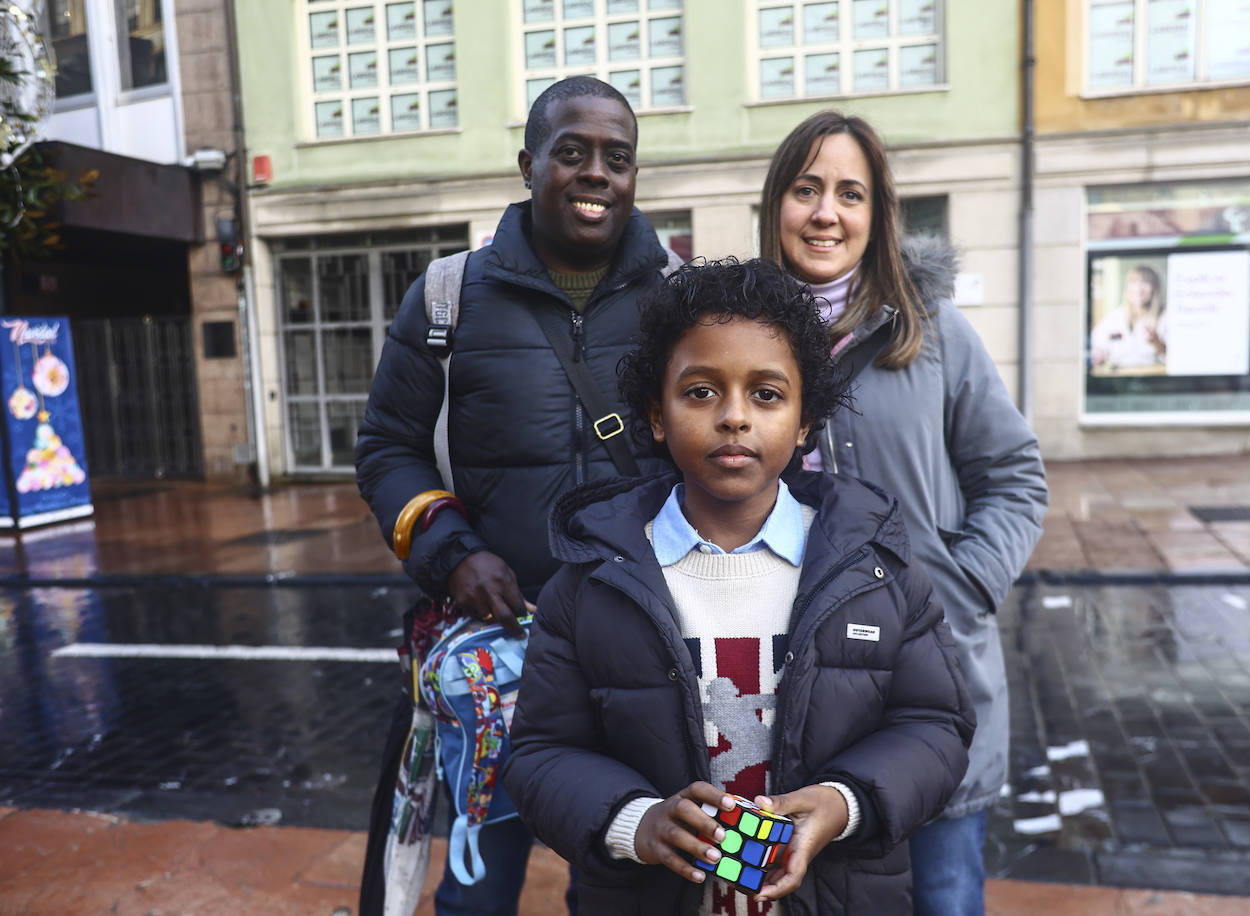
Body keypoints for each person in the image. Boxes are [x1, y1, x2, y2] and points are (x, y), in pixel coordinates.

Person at [505, 257, 976, 915]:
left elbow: (936, 725)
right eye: (701, 391)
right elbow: (538, 752)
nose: (733, 417)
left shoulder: (873, 569)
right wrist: (634, 822)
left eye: (767, 394)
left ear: (806, 420)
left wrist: (842, 804)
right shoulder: (592, 580)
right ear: (658, 414)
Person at [355, 75, 675, 916]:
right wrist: (451, 552)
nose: (596, 173)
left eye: (618, 158)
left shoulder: (682, 302)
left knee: (621, 889)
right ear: (530, 164)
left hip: (637, 659)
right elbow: (386, 448)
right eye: (572, 153)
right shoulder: (447, 296)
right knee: (475, 895)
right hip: (498, 662)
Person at [759, 112, 1048, 916]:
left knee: (944, 897)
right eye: (806, 188)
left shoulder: (934, 330)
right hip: (797, 689)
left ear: (877, 213)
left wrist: (963, 584)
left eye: (850, 193)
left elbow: (1016, 475)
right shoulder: (742, 333)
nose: (826, 213)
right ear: (775, 202)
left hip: (933, 683)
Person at [1089, 264, 1168, 372]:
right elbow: (1096, 347)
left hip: (1155, 380)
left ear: (1155, 288)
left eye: (1145, 282)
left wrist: (1157, 343)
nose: (1138, 288)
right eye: (1134, 282)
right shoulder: (1114, 318)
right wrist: (1098, 355)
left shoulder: (1165, 317)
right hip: (1119, 382)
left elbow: (1179, 359)